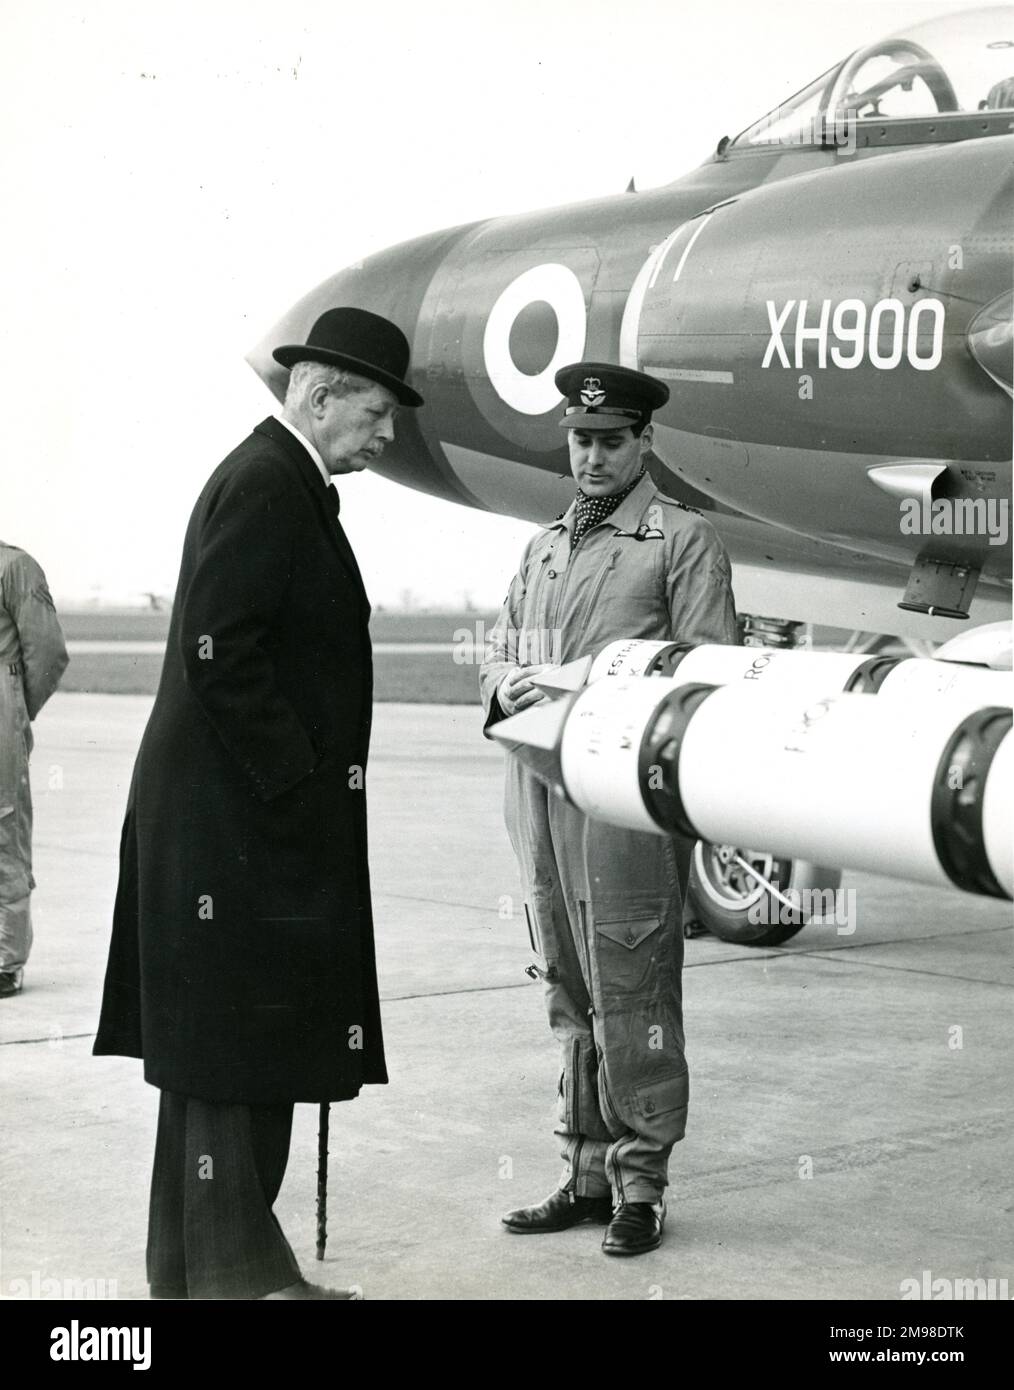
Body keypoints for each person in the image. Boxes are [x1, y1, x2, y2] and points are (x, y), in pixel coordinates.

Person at [94, 307, 423, 1299]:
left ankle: (198, 1275)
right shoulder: (268, 485)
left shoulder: (284, 482)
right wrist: (302, 783)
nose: (388, 435)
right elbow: (219, 650)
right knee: (234, 1057)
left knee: (227, 1058)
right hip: (236, 832)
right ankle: (241, 1285)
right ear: (319, 394)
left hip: (232, 828)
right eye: (377, 411)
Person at [479, 362, 738, 1256]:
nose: (592, 456)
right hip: (535, 790)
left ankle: (642, 1184)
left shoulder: (680, 541)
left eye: (610, 441)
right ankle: (584, 1171)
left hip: (621, 796)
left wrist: (600, 693)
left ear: (643, 444)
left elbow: (709, 670)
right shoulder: (543, 545)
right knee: (563, 977)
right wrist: (503, 680)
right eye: (581, 440)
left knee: (632, 982)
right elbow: (500, 645)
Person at [0, 542, 69, 998]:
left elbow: (46, 652)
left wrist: (16, 708)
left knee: (3, 828)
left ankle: (5, 958)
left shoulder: (14, 566)